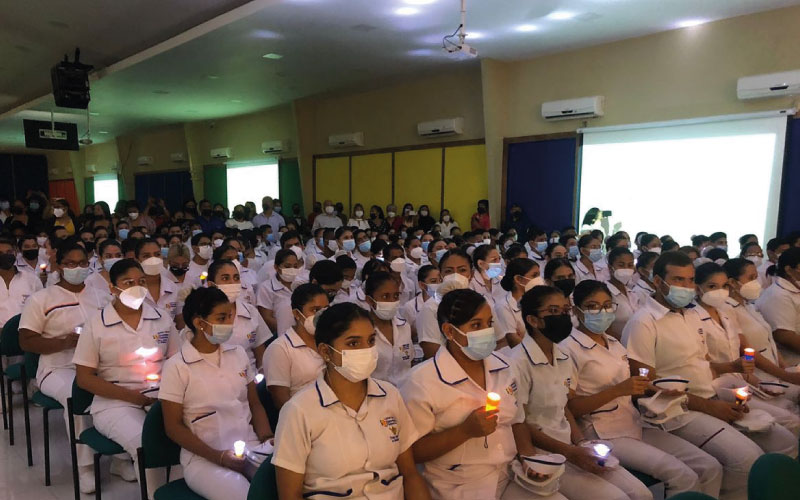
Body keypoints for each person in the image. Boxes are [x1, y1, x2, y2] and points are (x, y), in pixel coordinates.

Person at [622, 251, 796, 500]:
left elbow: (700, 365)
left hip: (709, 398)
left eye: (690, 280)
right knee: (746, 457)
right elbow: (644, 385)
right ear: (659, 282)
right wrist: (708, 406)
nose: (686, 287)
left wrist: (729, 370)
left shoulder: (691, 316)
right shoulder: (644, 322)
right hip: (674, 412)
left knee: (780, 439)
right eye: (678, 280)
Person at [564, 280, 723, 497]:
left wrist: (655, 388)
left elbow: (632, 384)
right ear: (576, 310)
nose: (602, 312)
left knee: (708, 465)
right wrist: (618, 390)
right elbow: (570, 407)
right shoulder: (568, 348)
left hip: (633, 421)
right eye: (593, 306)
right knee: (682, 475)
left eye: (607, 305)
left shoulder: (613, 342)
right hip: (604, 431)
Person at [272, 302, 429, 499]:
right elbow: (289, 495)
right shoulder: (299, 410)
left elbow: (410, 474)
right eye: (353, 343)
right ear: (325, 352)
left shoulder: (390, 396)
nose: (367, 350)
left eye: (371, 341)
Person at [512, 285, 652, 500]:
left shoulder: (561, 355)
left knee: (642, 493)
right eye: (553, 311)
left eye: (565, 310)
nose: (562, 316)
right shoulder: (518, 362)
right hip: (543, 454)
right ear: (533, 320)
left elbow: (563, 407)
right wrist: (570, 452)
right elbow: (519, 423)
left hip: (569, 445)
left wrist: (580, 443)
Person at [400, 288, 536, 499]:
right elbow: (413, 452)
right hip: (459, 485)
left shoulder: (506, 367)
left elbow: (517, 421)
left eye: (489, 323)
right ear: (450, 331)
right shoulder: (422, 381)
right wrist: (465, 431)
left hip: (509, 474)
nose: (486, 331)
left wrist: (529, 459)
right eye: (475, 325)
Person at [73, 259, 179, 494]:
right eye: (128, 283)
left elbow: (176, 361)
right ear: (113, 288)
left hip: (161, 397)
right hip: (114, 402)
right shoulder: (97, 324)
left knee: (187, 439)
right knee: (146, 443)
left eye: (141, 282)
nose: (137, 287)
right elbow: (85, 378)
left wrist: (167, 395)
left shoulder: (161, 317)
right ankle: (155, 495)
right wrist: (135, 398)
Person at [159, 287, 272, 500]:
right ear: (199, 323)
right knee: (246, 496)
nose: (229, 324)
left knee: (283, 484)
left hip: (250, 446)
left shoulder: (237, 353)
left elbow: (254, 404)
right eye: (221, 318)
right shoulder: (177, 366)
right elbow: (173, 427)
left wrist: (266, 439)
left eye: (230, 316)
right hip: (204, 458)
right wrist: (218, 457)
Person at [18, 242, 112, 493]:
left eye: (82, 263)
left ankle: (121, 458)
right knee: (76, 395)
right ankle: (85, 467)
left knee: (124, 387)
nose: (78, 268)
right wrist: (63, 342)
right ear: (59, 265)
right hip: (57, 367)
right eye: (71, 263)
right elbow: (26, 340)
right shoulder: (42, 298)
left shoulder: (100, 296)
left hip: (97, 364)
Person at [695, 262, 800, 425]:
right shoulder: (693, 317)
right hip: (717, 387)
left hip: (745, 380)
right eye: (712, 286)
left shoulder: (726, 313)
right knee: (788, 419)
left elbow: (745, 350)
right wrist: (784, 376)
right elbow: (704, 363)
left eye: (723, 286)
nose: (720, 292)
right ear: (697, 288)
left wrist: (760, 382)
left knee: (788, 411)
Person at [723, 258, 800, 400]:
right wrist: (785, 376)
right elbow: (746, 349)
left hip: (776, 372)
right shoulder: (727, 309)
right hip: (759, 376)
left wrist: (784, 368)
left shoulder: (749, 306)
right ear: (732, 282)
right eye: (750, 278)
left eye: (756, 277)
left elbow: (768, 338)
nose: (756, 283)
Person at [263, 284, 328, 409]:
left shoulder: (330, 342)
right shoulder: (280, 349)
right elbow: (281, 402)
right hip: (303, 418)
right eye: (315, 310)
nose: (322, 315)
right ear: (297, 314)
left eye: (325, 309)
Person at [207, 259, 272, 371]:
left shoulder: (250, 311)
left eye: (236, 278)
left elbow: (260, 352)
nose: (232, 282)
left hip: (249, 378)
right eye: (225, 278)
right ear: (211, 284)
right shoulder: (201, 315)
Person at [364, 271, 413, 386]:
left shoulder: (404, 327)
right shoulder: (363, 331)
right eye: (385, 296)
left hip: (405, 392)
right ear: (370, 300)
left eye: (395, 296)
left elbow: (409, 363)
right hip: (376, 395)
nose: (392, 301)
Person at [756, 247, 800, 366]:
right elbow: (784, 336)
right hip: (792, 362)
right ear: (789, 270)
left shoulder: (795, 289)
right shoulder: (778, 295)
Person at [495, 258, 541, 353]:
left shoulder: (539, 300)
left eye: (539, 275)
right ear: (518, 279)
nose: (539, 280)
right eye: (534, 276)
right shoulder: (503, 306)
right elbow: (514, 341)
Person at [257, 248, 301, 334]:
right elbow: (266, 318)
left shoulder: (300, 284)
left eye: (295, 266)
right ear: (276, 267)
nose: (292, 269)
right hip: (278, 333)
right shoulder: (266, 288)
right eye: (287, 266)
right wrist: (289, 330)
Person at [605, 247, 640, 340]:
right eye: (621, 265)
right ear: (610, 267)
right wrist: (625, 343)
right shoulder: (605, 292)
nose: (626, 269)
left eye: (630, 265)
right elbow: (605, 330)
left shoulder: (632, 293)